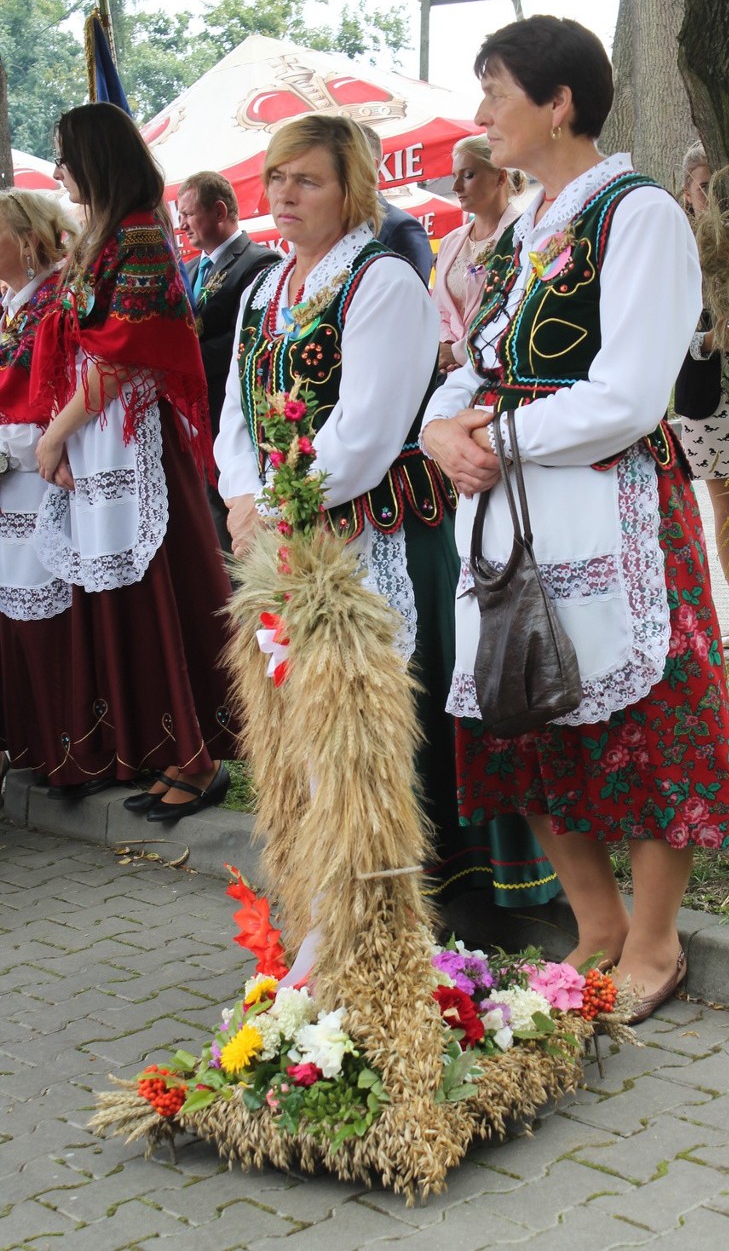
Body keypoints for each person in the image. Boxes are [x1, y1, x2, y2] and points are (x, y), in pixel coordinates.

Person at [421, 16, 729, 1021]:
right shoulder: (523, 229)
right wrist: (439, 431)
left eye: (496, 91)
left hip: (616, 510)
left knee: (651, 727)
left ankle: (655, 944)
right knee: (527, 721)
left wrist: (493, 438)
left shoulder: (639, 215)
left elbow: (633, 395)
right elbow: (473, 365)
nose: (480, 116)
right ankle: (593, 925)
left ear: (559, 103)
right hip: (519, 516)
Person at [215, 112, 556, 910]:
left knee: (395, 700)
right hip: (284, 525)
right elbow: (236, 404)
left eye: (307, 179)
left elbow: (365, 430)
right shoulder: (266, 284)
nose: (285, 194)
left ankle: (437, 886)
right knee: (314, 702)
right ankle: (340, 871)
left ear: (350, 190)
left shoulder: (382, 280)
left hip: (378, 526)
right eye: (277, 178)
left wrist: (268, 503)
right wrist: (238, 495)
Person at [31, 102, 237, 818]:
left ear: (95, 159)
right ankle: (170, 751)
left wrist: (54, 436)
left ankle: (197, 759)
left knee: (163, 599)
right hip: (104, 438)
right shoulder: (110, 236)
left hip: (136, 444)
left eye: (64, 155)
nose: (57, 169)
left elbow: (125, 354)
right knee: (131, 603)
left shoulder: (142, 236)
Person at [0, 190, 75, 786]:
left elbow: (51, 405)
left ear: (26, 237)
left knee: (40, 620)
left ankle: (64, 751)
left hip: (37, 483)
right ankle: (28, 747)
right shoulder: (14, 303)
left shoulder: (53, 302)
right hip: (13, 485)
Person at [674, 142, 729, 650]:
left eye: (723, 187)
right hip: (708, 384)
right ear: (688, 192)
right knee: (728, 504)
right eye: (706, 188)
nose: (714, 197)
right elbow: (660, 327)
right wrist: (708, 340)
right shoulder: (676, 246)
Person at [177, 172, 280, 554]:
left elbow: (244, 344)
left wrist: (177, 362)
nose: (181, 224)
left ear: (219, 211)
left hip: (231, 413)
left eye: (189, 214)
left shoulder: (259, 263)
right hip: (194, 417)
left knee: (229, 514)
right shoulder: (187, 270)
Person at [432, 135, 525, 376]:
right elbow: (440, 309)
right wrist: (447, 347)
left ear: (501, 177)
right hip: (450, 374)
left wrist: (459, 352)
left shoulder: (524, 235)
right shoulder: (450, 242)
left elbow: (515, 312)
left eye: (468, 175)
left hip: (502, 371)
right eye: (454, 177)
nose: (456, 188)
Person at [359, 123, 434, 285]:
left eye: (344, 163)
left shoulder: (401, 229)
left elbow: (411, 301)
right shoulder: (326, 226)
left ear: (372, 166)